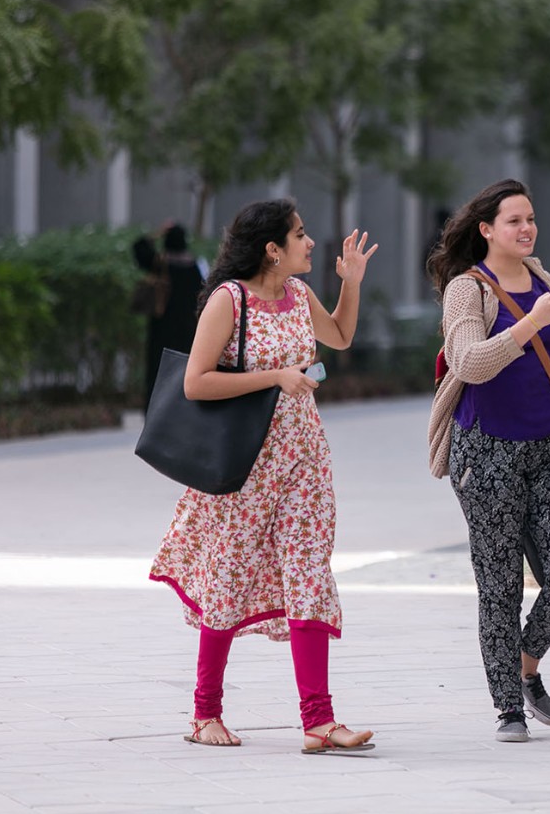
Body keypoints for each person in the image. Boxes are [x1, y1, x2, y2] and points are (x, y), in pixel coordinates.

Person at [149, 198, 378, 754]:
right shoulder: (229, 300)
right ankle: (205, 714)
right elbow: (195, 382)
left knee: (309, 574)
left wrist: (351, 283)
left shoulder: (299, 294)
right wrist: (275, 376)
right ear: (272, 248)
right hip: (243, 467)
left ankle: (319, 723)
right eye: (300, 235)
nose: (311, 243)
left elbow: (341, 337)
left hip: (303, 459)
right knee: (227, 577)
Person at [426, 179, 550, 744]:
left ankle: (526, 660)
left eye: (531, 219)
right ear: (487, 230)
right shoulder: (466, 290)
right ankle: (508, 708)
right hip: (488, 451)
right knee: (499, 584)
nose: (526, 229)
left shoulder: (544, 282)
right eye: (514, 221)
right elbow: (470, 364)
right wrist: (528, 324)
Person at [133, 224, 205, 410]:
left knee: (158, 370)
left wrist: (156, 233)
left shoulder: (159, 263)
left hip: (162, 329)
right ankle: (182, 409)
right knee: (183, 370)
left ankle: (155, 410)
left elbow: (138, 247)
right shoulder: (195, 266)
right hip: (188, 330)